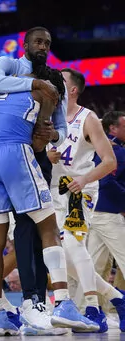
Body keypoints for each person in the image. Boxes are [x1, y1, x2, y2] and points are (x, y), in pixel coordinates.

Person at [0, 61, 99, 335]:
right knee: (47, 228)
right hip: (19, 158)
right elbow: (37, 142)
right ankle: (60, 303)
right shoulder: (40, 93)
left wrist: (54, 132)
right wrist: (44, 95)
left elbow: (56, 132)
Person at [0, 26, 66, 334]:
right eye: (38, 41)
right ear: (25, 44)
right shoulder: (9, 65)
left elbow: (61, 128)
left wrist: (53, 135)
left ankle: (32, 301)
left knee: (29, 230)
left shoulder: (53, 80)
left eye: (47, 43)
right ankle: (34, 303)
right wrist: (35, 82)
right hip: (14, 150)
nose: (43, 46)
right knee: (35, 230)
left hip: (29, 155)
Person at [49, 68, 125, 332]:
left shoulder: (88, 118)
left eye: (60, 79)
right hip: (52, 190)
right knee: (56, 253)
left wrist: (84, 179)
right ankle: (115, 297)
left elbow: (109, 161)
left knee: (71, 243)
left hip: (79, 190)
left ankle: (94, 309)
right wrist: (47, 158)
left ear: (72, 90)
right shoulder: (46, 117)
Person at [87, 111, 125, 317]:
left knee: (93, 264)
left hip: (95, 210)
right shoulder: (115, 151)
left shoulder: (99, 148)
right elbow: (107, 182)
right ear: (113, 128)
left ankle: (88, 308)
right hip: (109, 211)